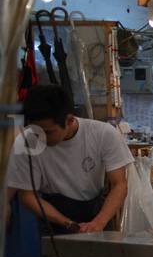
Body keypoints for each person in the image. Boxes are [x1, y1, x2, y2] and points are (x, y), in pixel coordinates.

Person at [8, 84, 134, 236]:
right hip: (53, 218)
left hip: (96, 214)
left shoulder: (103, 134)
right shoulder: (26, 141)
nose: (40, 137)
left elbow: (119, 185)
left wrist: (98, 222)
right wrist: (67, 223)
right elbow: (27, 195)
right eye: (35, 131)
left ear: (69, 120)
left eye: (48, 132)